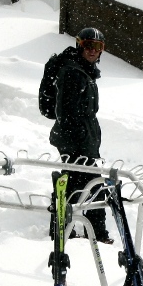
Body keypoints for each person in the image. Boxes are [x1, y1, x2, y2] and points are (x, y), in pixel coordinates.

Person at [49, 27, 111, 243]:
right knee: (91, 184)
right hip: (75, 140)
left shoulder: (84, 70)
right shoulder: (73, 72)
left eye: (98, 47)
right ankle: (92, 234)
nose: (93, 51)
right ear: (79, 45)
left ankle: (66, 229)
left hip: (82, 139)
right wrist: (80, 138)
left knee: (78, 183)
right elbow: (65, 111)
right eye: (88, 45)